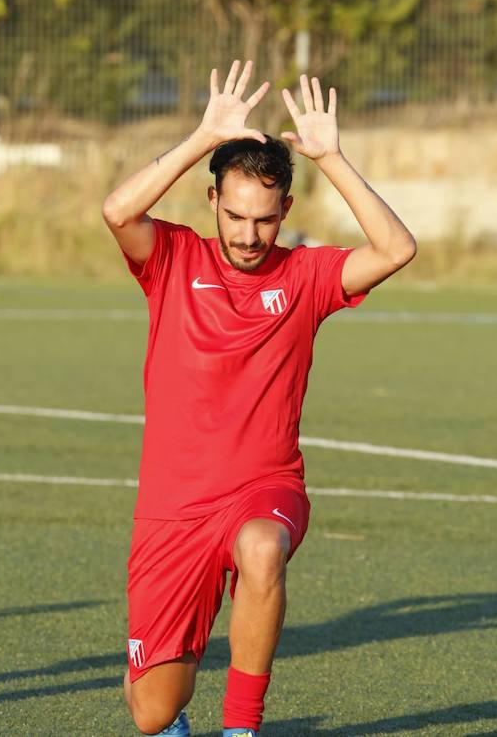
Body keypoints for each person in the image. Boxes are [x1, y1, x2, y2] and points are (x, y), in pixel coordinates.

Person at [102, 59, 416, 737]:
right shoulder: (172, 259)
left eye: (265, 220)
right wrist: (200, 140)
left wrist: (331, 156)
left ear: (286, 212)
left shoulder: (306, 276)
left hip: (261, 488)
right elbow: (116, 210)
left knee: (263, 549)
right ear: (212, 199)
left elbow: (395, 248)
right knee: (152, 713)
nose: (248, 235)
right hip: (172, 510)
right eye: (237, 215)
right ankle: (166, 692)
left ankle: (242, 729)